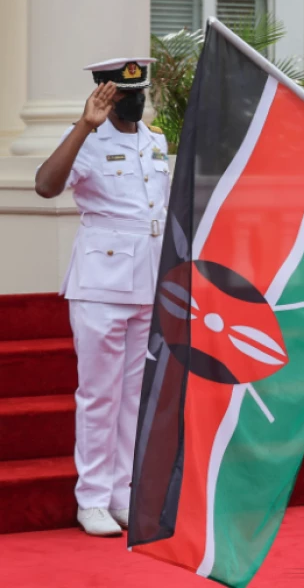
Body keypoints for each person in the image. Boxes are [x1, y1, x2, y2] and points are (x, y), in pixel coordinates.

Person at [34, 58, 170, 537]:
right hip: (100, 284)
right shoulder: (88, 141)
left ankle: (121, 494)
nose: (136, 103)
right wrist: (83, 127)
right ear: (105, 97)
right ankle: (90, 498)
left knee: (133, 395)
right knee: (98, 395)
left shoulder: (156, 142)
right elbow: (46, 186)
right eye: (125, 96)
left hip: (147, 280)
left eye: (141, 95)